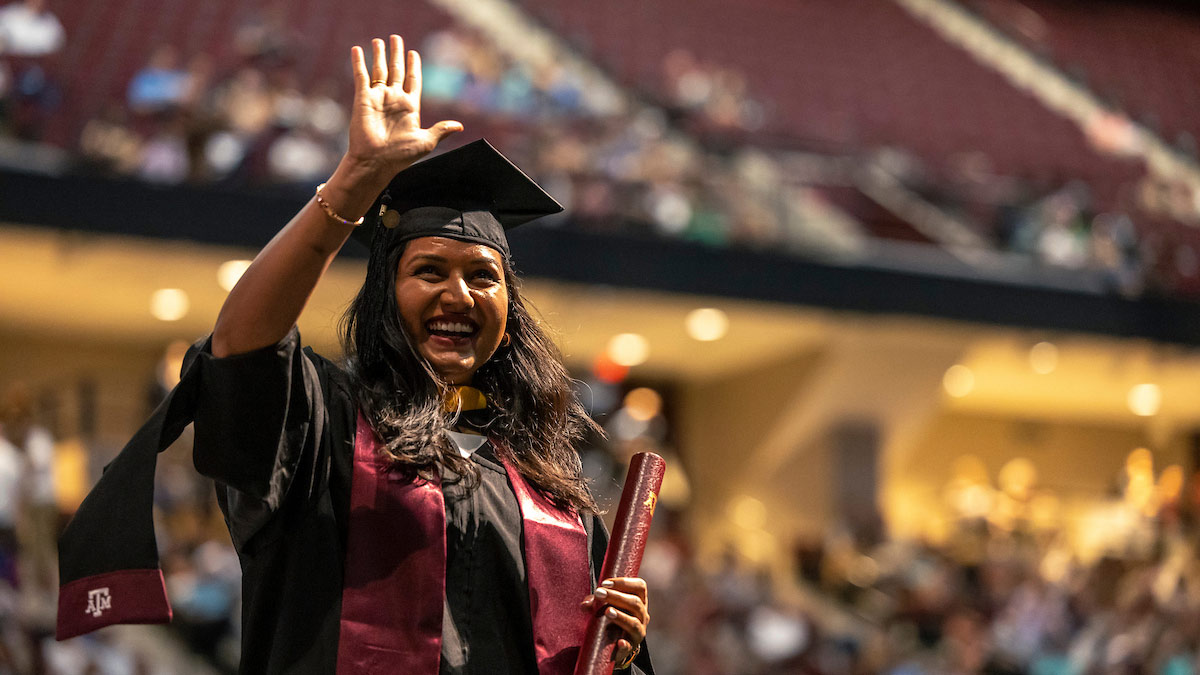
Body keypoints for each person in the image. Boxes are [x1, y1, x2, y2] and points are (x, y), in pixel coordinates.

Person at [57, 35, 653, 675]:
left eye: (483, 276)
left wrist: (615, 655)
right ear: (384, 298)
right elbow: (239, 347)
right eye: (428, 270)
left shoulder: (550, 489)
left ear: (509, 312)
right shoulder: (323, 426)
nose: (458, 293)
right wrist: (355, 180)